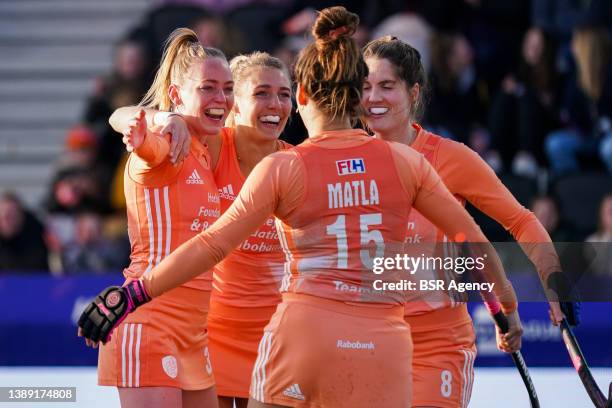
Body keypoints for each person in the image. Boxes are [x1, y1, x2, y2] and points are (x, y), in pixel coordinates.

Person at [79, 7, 521, 408]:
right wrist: (505, 312)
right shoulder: (408, 161)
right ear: (358, 96)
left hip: (303, 334)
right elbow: (474, 241)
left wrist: (133, 292)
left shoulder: (286, 166)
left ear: (303, 95)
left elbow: (213, 245)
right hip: (383, 342)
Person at [361, 35, 576, 408]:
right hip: (364, 340)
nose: (373, 98)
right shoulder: (345, 160)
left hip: (436, 344)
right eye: (364, 87)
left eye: (386, 86)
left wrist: (551, 276)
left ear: (413, 93)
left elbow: (522, 221)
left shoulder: (451, 159)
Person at [109, 51, 293, 408]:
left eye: (284, 94)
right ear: (235, 104)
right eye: (261, 93)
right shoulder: (210, 145)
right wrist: (165, 118)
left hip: (273, 335)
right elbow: (122, 117)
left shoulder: (293, 164)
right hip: (212, 332)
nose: (275, 104)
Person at [95, 28, 234, 408]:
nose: (221, 98)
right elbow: (126, 123)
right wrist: (152, 125)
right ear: (176, 94)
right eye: (208, 87)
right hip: (149, 322)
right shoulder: (169, 143)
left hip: (193, 332)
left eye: (227, 87)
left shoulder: (205, 151)